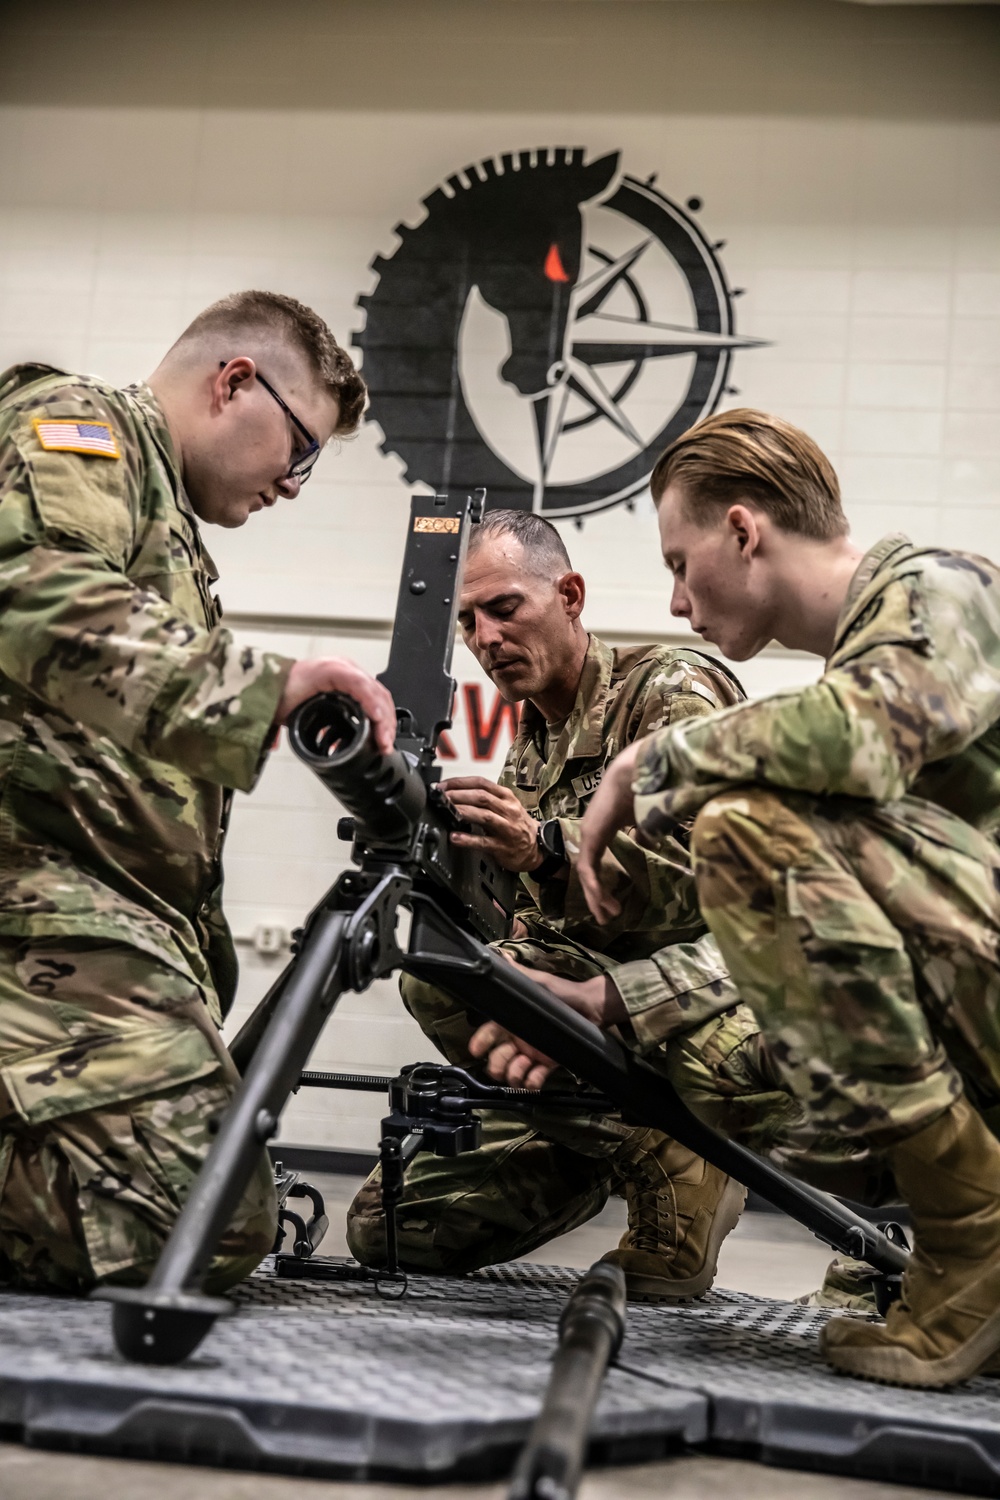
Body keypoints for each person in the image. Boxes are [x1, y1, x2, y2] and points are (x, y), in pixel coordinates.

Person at [564, 408, 1000, 1387]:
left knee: (742, 820)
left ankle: (976, 1230)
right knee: (718, 1061)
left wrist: (652, 758)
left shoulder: (942, 588)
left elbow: (862, 738)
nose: (677, 603)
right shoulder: (861, 660)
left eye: (681, 562)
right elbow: (833, 928)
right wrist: (624, 1003)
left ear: (744, 530)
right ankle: (957, 1223)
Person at [0, 290, 397, 1295]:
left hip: (89, 920)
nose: (295, 485)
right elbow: (30, 589)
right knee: (200, 1216)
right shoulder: (81, 429)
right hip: (32, 908)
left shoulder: (162, 520)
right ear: (234, 383)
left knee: (221, 1201)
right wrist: (261, 688)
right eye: (300, 451)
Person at [347, 508, 811, 1301]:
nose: (486, 639)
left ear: (569, 595)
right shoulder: (527, 750)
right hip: (591, 1047)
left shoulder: (671, 691)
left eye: (504, 609)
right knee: (391, 1227)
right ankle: (605, 1145)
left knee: (450, 980)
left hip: (697, 1007)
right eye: (465, 621)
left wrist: (547, 850)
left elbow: (718, 879)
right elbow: (547, 926)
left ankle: (675, 1156)